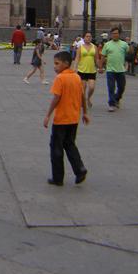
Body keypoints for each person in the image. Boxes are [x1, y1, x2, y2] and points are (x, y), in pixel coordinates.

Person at [43, 50, 89, 186]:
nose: (55, 66)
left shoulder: (60, 78)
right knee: (70, 144)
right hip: (74, 119)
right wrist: (85, 113)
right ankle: (80, 169)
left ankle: (58, 178)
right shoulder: (76, 77)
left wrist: (47, 115)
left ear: (66, 63)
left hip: (61, 119)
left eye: (57, 64)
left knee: (56, 148)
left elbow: (56, 98)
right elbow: (82, 97)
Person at [99, 26, 128, 112]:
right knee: (111, 87)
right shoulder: (107, 45)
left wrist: (127, 64)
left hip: (121, 70)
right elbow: (103, 57)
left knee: (121, 87)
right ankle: (111, 104)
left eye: (116, 33)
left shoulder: (124, 44)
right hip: (110, 70)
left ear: (119, 34)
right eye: (113, 34)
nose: (115, 35)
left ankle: (117, 98)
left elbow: (128, 55)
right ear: (111, 35)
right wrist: (100, 67)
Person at [73, 30, 97, 108]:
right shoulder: (80, 47)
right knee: (83, 88)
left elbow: (96, 59)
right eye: (87, 36)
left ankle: (88, 98)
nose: (88, 38)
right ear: (84, 38)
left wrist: (100, 67)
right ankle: (82, 101)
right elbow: (77, 58)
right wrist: (75, 68)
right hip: (82, 70)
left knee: (92, 87)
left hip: (91, 70)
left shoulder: (94, 47)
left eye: (90, 36)